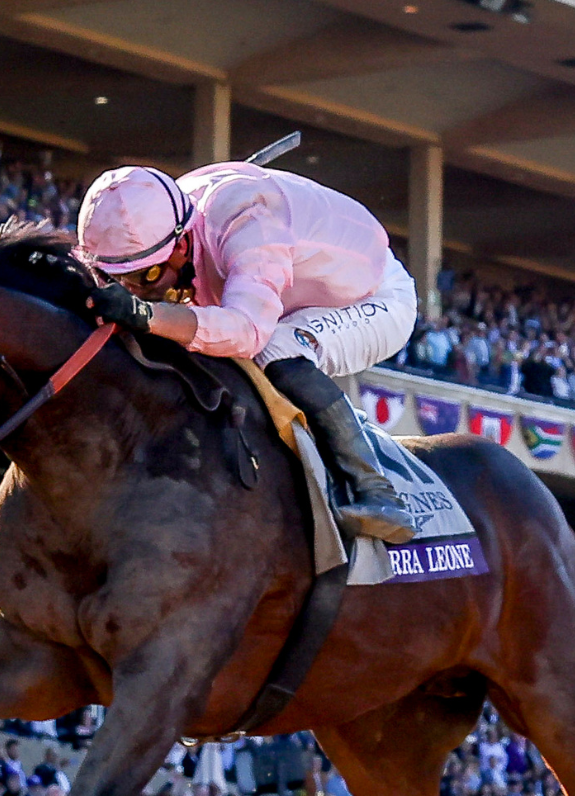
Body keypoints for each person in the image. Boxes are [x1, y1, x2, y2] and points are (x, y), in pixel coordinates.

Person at [76, 159, 419, 543]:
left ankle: (376, 490)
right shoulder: (164, 216)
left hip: (373, 296)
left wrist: (148, 314)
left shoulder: (249, 223)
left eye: (147, 276)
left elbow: (248, 330)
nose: (136, 290)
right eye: (117, 279)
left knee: (275, 351)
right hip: (288, 294)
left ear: (182, 244)